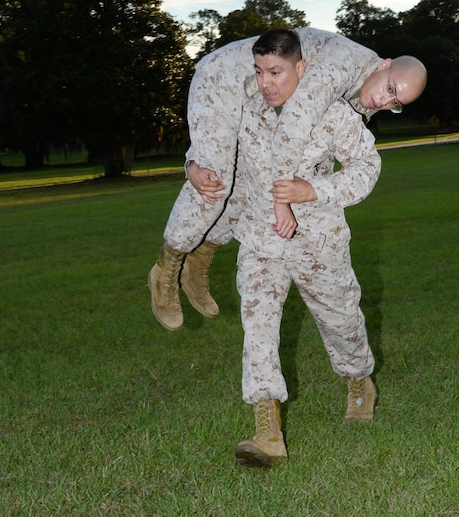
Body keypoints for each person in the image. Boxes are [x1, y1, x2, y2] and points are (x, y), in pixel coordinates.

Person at [148, 28, 427, 330]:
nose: (383, 101)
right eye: (389, 88)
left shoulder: (366, 97)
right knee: (215, 181)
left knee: (244, 190)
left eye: (395, 102)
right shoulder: (342, 65)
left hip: (258, 97)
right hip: (224, 82)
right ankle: (167, 266)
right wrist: (281, 201)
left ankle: (198, 261)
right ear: (384, 64)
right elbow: (296, 122)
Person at [231, 29, 381, 467]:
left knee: (341, 322)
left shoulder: (331, 113)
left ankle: (359, 382)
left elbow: (367, 167)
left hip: (319, 240)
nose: (266, 82)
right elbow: (215, 148)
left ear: (301, 69)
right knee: (257, 326)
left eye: (275, 72)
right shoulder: (245, 109)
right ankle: (267, 429)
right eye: (259, 72)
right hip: (260, 238)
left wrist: (311, 189)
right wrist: (194, 166)